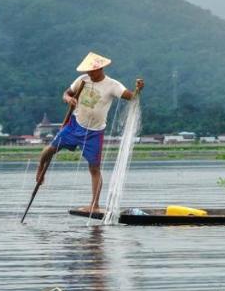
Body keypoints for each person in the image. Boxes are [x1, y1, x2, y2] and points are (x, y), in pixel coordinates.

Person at [35, 52, 144, 213]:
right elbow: (66, 93)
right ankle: (40, 169)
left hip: (94, 132)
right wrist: (68, 99)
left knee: (94, 168)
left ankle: (94, 204)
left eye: (92, 71)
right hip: (74, 125)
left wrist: (138, 89)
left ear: (100, 69)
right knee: (49, 150)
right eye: (87, 71)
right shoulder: (82, 80)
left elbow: (131, 97)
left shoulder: (112, 85)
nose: (89, 74)